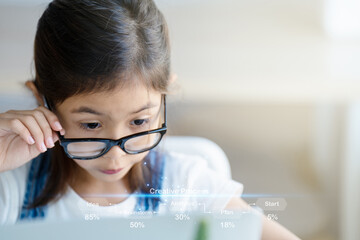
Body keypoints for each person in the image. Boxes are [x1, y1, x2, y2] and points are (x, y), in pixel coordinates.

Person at [0, 0, 299, 239]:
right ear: (42, 100)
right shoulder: (11, 192)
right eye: (91, 125)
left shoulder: (186, 188)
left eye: (139, 122)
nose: (116, 154)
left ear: (164, 96)